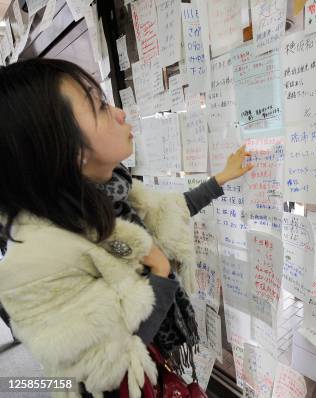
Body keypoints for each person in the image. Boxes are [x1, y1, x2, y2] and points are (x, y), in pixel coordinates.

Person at [0, 58, 252, 397]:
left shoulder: (108, 195)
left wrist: (221, 177)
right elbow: (105, 366)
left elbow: (168, 212)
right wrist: (160, 277)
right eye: (100, 107)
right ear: (69, 149)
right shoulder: (39, 263)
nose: (119, 112)